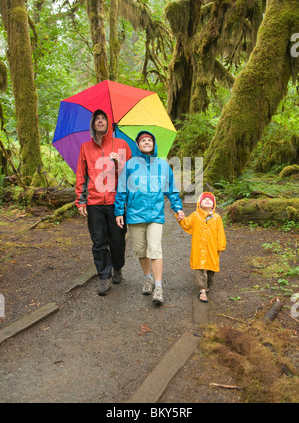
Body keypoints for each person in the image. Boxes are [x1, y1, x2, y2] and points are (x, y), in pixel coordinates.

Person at [114, 131, 184, 305]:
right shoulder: (130, 165)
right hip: (134, 214)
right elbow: (122, 189)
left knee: (155, 248)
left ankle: (158, 287)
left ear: (154, 144)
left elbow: (171, 189)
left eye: (149, 140)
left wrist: (178, 208)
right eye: (142, 140)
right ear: (137, 145)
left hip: (155, 213)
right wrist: (118, 212)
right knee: (140, 249)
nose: (146, 142)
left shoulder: (162, 165)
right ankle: (148, 279)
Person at [75, 109, 131, 296]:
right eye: (97, 119)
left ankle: (117, 267)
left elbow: (130, 175)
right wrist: (80, 201)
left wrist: (119, 163)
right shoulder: (85, 147)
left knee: (117, 240)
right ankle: (104, 277)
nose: (100, 121)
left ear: (109, 124)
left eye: (103, 119)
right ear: (93, 124)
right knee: (98, 241)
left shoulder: (121, 144)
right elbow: (81, 175)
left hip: (116, 201)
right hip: (94, 202)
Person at [176, 192, 226, 303]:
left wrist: (221, 246)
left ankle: (207, 285)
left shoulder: (217, 218)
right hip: (199, 248)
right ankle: (202, 290)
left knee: (210, 268)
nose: (207, 201)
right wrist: (181, 218)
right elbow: (187, 224)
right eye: (204, 199)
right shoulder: (195, 215)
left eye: (210, 200)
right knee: (200, 267)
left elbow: (220, 233)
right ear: (199, 203)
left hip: (212, 249)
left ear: (214, 204)